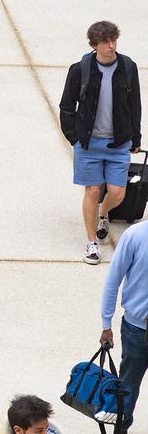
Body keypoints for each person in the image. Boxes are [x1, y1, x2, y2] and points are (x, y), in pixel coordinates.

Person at [59, 20, 141, 265]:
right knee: (92, 190)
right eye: (106, 42)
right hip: (88, 144)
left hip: (119, 143)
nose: (112, 46)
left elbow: (135, 105)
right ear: (94, 45)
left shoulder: (128, 67)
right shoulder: (79, 70)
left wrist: (135, 137)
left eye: (114, 40)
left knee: (117, 193)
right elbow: (66, 106)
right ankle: (92, 241)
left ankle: (104, 213)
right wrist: (74, 138)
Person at [98, 219, 148, 434]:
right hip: (137, 330)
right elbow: (113, 280)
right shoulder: (135, 236)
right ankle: (121, 428)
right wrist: (106, 322)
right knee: (128, 385)